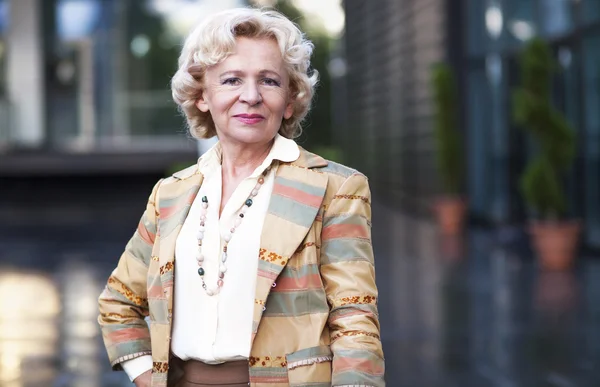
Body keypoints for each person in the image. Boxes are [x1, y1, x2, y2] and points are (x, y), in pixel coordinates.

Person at [98, 7, 384, 387]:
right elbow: (117, 304)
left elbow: (355, 319)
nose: (250, 97)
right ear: (202, 96)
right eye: (232, 80)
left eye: (269, 81)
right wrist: (147, 377)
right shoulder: (172, 193)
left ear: (291, 99)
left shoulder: (336, 188)